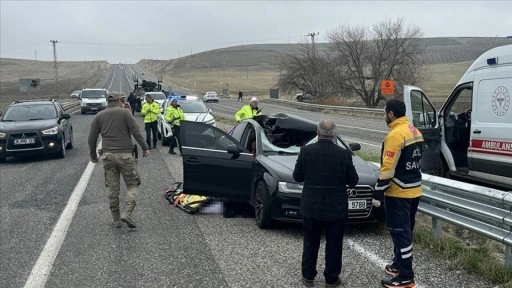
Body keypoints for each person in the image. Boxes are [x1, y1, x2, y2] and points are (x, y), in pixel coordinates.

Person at [292, 120, 359, 288]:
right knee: (334, 244)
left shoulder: (306, 151)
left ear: (318, 132)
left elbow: (297, 177)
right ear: (334, 134)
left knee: (310, 242)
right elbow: (353, 181)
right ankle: (331, 278)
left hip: (311, 205)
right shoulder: (344, 154)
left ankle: (308, 277)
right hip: (336, 207)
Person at [374, 99, 423, 288]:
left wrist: (378, 193)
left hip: (398, 193)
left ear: (391, 114)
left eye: (385, 113)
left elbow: (388, 168)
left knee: (400, 234)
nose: (384, 116)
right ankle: (397, 265)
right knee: (406, 231)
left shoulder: (395, 135)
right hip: (415, 190)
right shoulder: (414, 131)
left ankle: (405, 276)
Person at [88, 93, 150, 229]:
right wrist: (145, 148)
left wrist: (93, 155)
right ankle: (127, 214)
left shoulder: (99, 116)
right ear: (119, 100)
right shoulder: (125, 113)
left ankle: (116, 220)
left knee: (112, 188)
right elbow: (136, 132)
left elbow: (92, 137)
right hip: (125, 156)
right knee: (133, 185)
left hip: (108, 157)